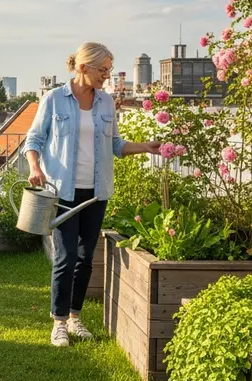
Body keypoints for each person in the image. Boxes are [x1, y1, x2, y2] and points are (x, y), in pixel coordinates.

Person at [22, 42, 160, 347]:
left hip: (96, 192)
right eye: (103, 70)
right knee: (66, 257)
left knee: (86, 259)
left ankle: (75, 318)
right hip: (62, 192)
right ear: (83, 67)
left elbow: (115, 144)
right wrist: (35, 166)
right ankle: (58, 323)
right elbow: (33, 139)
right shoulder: (55, 99)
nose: (106, 76)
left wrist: (145, 147)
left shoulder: (106, 103)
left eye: (109, 70)